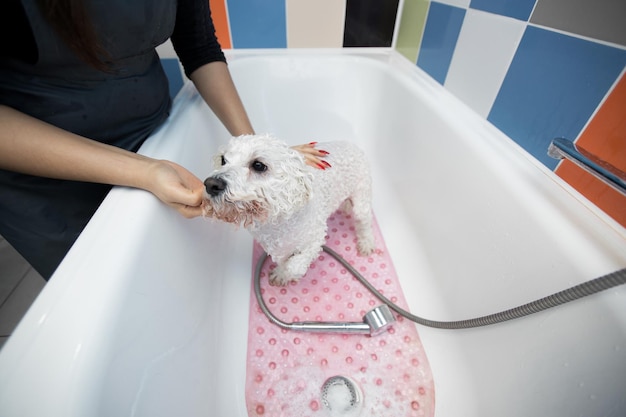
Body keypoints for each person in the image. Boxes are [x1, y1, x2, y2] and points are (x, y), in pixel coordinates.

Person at [0, 0, 327, 280]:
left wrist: (252, 145)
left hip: (152, 131)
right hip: (43, 171)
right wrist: (145, 171)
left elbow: (199, 48)